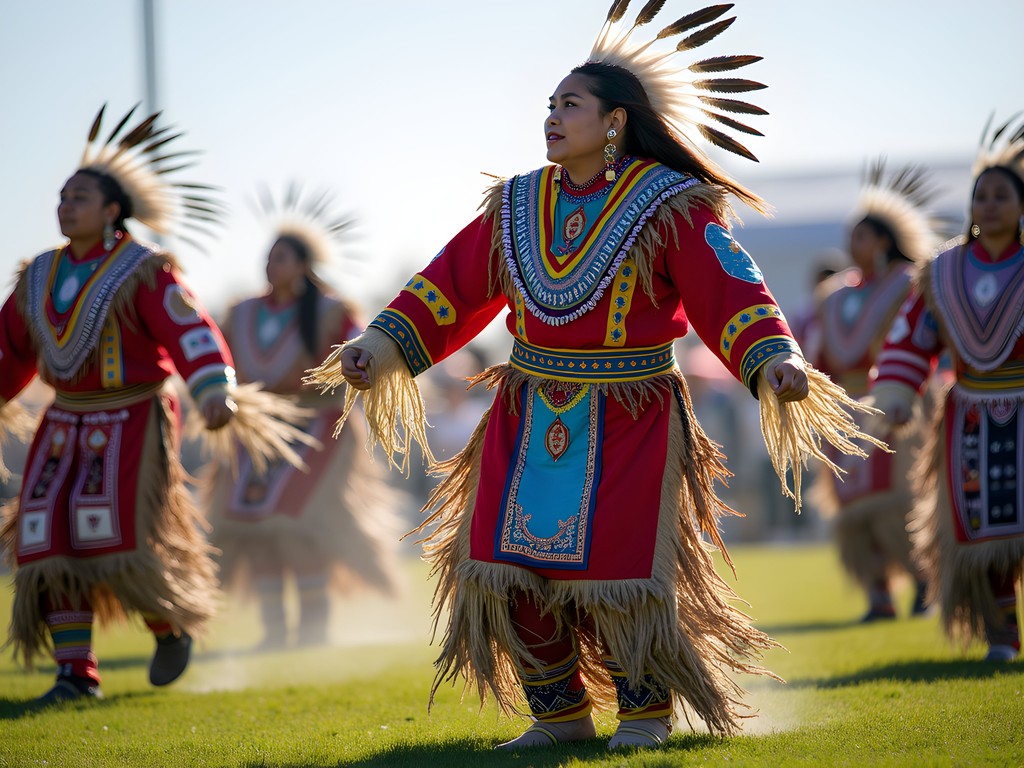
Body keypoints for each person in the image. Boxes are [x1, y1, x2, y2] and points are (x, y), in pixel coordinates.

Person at [308, 1, 876, 750]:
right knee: (502, 564)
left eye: (569, 104)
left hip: (630, 413)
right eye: (549, 104)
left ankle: (643, 713)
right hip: (528, 407)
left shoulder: (669, 204)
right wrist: (381, 346)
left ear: (614, 122)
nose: (551, 116)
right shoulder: (516, 204)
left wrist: (774, 358)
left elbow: (729, 288)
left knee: (619, 572)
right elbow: (450, 285)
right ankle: (559, 714)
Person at [0, 105, 305, 703]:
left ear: (112, 209)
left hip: (133, 415)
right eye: (61, 196)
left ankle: (168, 626)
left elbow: (189, 329)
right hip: (63, 420)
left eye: (79, 196)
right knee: (45, 536)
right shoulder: (38, 275)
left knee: (117, 538)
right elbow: (10, 348)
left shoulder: (142, 270)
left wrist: (213, 386)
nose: (65, 205)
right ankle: (74, 676)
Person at [204, 187, 398, 650]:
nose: (271, 265)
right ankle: (275, 632)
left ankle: (313, 629)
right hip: (255, 433)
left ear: (304, 265)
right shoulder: (241, 313)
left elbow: (360, 342)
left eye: (282, 257)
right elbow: (216, 357)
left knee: (298, 526)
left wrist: (363, 357)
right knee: (259, 532)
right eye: (268, 257)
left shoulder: (332, 312)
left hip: (317, 430)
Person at [873, 115, 1024, 662]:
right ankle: (1003, 636)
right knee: (982, 532)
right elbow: (913, 336)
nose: (989, 204)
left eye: (1002, 195)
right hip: (970, 418)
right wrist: (896, 392)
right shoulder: (943, 272)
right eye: (981, 195)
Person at [812, 162, 947, 621]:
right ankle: (877, 593)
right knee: (853, 509)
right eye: (851, 236)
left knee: (898, 498)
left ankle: (926, 582)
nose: (854, 244)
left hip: (895, 403)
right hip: (845, 410)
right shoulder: (834, 295)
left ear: (884, 241)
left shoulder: (910, 283)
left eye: (863, 236)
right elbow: (823, 356)